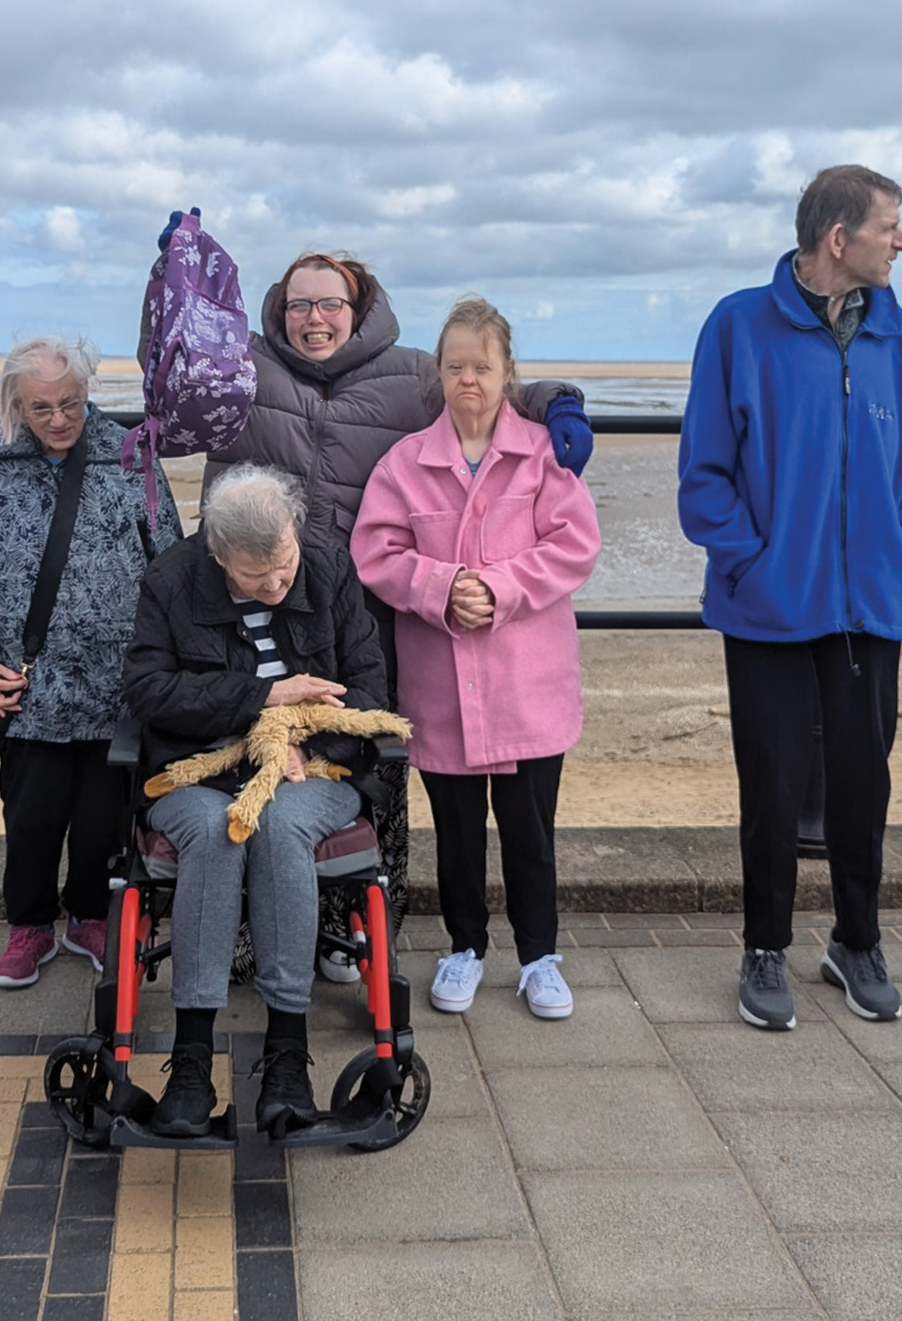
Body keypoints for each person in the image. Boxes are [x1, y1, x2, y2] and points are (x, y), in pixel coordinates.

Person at [196, 244, 594, 980]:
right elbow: (180, 376)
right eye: (299, 305)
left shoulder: (411, 375)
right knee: (266, 763)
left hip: (374, 628)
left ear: (358, 309)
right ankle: (265, 937)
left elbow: (493, 384)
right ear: (279, 310)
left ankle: (362, 931)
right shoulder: (248, 369)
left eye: (330, 304)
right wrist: (172, 281)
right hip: (265, 607)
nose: (314, 318)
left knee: (365, 775)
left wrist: (562, 400)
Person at [677, 164, 902, 1031]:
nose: (901, 241)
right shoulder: (738, 325)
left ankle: (856, 942)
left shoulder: (892, 329)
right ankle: (763, 948)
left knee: (863, 785)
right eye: (888, 225)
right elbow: (704, 474)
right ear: (839, 238)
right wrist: (753, 563)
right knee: (771, 784)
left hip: (872, 605)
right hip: (766, 607)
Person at [121, 464, 389, 1138]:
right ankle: (190, 1062)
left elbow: (368, 687)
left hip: (314, 768)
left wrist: (302, 735)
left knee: (277, 825)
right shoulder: (171, 580)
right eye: (254, 575)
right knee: (222, 829)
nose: (275, 585)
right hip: (196, 771)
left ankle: (287, 1055)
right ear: (217, 554)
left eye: (283, 565)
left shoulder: (328, 567)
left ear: (295, 530)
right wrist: (263, 698)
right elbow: (147, 692)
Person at [353, 299, 601, 1020]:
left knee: (530, 832)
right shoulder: (405, 463)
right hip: (442, 686)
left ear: (507, 372)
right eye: (456, 366)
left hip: (528, 684)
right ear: (439, 371)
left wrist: (498, 588)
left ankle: (539, 957)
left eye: (482, 367)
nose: (469, 380)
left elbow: (574, 544)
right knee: (456, 832)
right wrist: (440, 587)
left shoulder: (544, 456)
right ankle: (463, 947)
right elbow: (377, 551)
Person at [0, 336, 182, 989]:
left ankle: (91, 917)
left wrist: (161, 669)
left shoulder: (132, 456)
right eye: (41, 407)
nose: (57, 420)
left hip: (116, 684)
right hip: (27, 686)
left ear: (88, 392)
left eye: (70, 403)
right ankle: (28, 926)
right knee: (31, 816)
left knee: (106, 817)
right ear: (16, 405)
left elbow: (171, 566)